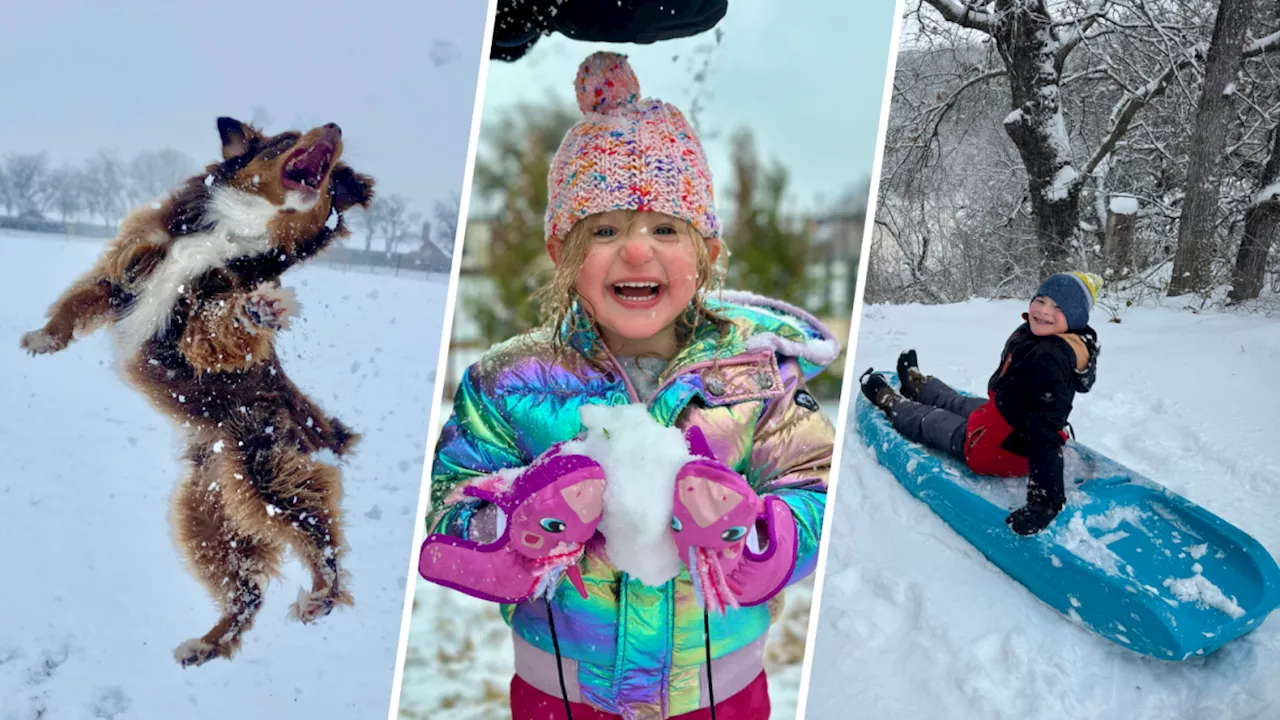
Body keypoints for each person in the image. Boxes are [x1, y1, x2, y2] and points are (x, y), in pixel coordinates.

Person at [419, 52, 838, 720]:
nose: (637, 251)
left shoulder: (759, 375)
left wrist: (748, 532)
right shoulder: (507, 383)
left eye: (665, 229)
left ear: (706, 254)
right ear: (564, 254)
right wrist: (522, 522)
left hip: (717, 691)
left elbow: (816, 487)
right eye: (605, 229)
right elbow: (452, 511)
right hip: (564, 693)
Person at [860, 272, 1102, 536]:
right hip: (1003, 415)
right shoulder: (1049, 335)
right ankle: (917, 384)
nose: (1043, 311)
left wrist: (1045, 502)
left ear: (1075, 318)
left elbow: (1044, 431)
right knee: (957, 401)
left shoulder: (1051, 358)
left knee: (932, 420)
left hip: (998, 449)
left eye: (1058, 307)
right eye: (1041, 300)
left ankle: (890, 401)